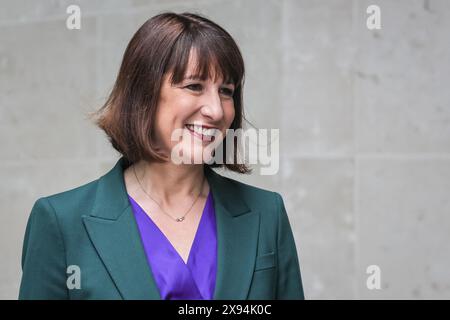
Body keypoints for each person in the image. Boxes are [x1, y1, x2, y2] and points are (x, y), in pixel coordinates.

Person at [19, 12, 304, 300]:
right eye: (194, 86)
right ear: (144, 93)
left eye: (226, 91)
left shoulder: (267, 213)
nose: (216, 111)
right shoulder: (60, 221)